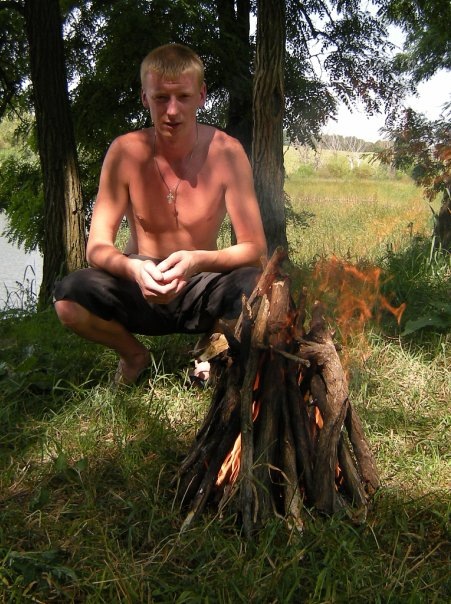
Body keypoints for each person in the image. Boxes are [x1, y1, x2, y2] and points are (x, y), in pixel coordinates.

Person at [54, 43, 267, 384]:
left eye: (183, 97)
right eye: (160, 98)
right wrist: (135, 269)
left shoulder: (228, 152)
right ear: (144, 98)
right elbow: (96, 247)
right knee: (69, 297)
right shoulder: (125, 152)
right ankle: (133, 355)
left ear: (201, 95)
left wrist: (196, 260)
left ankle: (210, 349)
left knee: (257, 286)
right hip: (139, 282)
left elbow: (255, 249)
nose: (172, 110)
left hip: (202, 282)